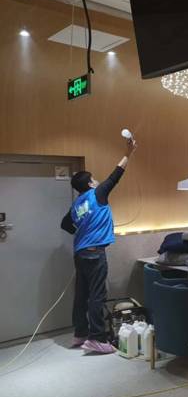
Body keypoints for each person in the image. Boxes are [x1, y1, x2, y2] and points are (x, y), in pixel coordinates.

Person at [61, 138, 137, 353]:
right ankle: (97, 338)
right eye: (93, 179)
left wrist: (82, 230)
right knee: (97, 295)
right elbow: (116, 175)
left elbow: (65, 224)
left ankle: (80, 333)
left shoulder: (77, 204)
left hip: (81, 253)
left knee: (82, 295)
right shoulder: (97, 194)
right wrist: (129, 153)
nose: (96, 180)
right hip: (95, 253)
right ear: (90, 184)